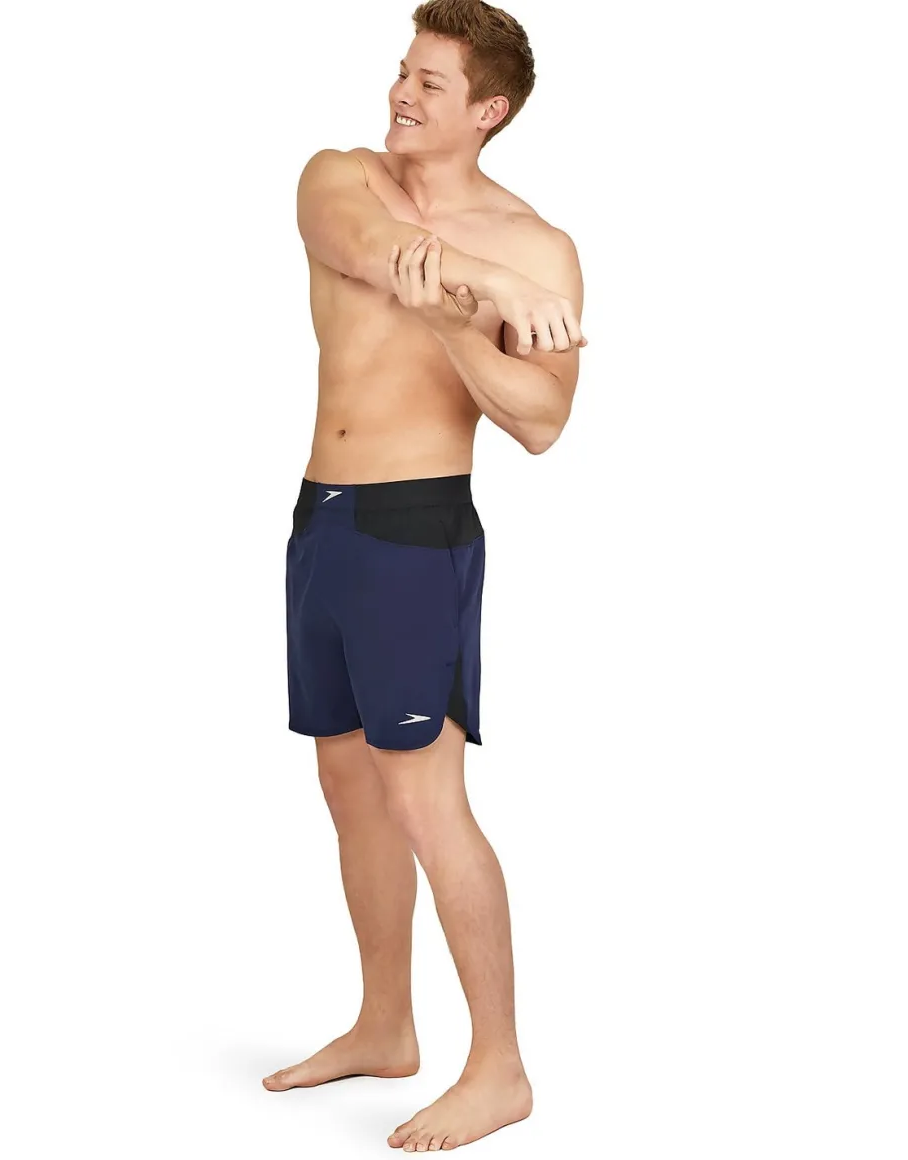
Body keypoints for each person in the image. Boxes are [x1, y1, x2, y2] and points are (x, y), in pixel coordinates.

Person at [265, 0, 585, 1151]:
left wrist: (453, 323)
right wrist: (488, 292)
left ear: (486, 110)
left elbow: (540, 420)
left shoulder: (540, 247)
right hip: (321, 518)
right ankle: (384, 1021)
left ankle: (498, 1065)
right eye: (402, 70)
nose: (400, 92)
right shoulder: (339, 176)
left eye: (430, 83)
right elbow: (361, 246)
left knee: (423, 796)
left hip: (413, 527)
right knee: (346, 783)